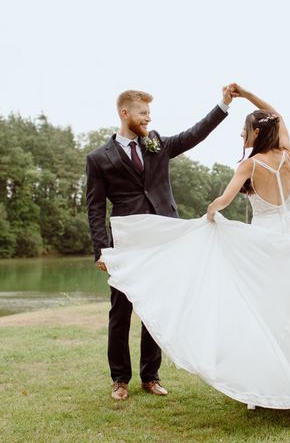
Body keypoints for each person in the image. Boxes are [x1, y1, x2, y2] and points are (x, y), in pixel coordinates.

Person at [103, 84, 290, 419]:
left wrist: (210, 214)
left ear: (256, 132)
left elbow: (223, 201)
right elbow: (280, 116)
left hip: (262, 241)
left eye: (244, 130)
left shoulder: (250, 165)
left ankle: (273, 386)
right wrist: (246, 95)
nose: (241, 134)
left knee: (261, 313)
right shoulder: (287, 155)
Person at [85, 87, 233, 400]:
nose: (148, 118)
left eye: (149, 114)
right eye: (143, 113)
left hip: (163, 240)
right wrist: (101, 249)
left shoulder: (157, 144)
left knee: (157, 309)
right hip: (127, 243)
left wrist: (223, 104)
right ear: (125, 114)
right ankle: (119, 380)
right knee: (120, 311)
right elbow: (95, 208)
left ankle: (150, 376)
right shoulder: (98, 159)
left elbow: (195, 134)